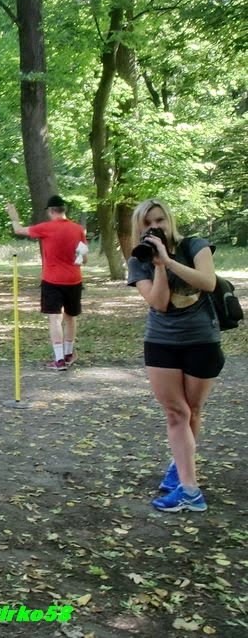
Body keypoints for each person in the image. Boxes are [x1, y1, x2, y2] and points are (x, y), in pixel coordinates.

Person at [127, 199, 224, 513]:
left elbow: (208, 282)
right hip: (162, 342)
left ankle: (180, 468)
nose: (155, 227)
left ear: (169, 221)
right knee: (176, 413)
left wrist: (168, 261)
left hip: (202, 340)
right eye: (147, 223)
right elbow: (159, 303)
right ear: (139, 228)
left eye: (160, 220)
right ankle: (190, 489)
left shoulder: (195, 246)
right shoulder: (138, 260)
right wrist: (157, 265)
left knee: (192, 411)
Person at [5, 195, 88, 370]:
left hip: (52, 280)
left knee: (55, 318)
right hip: (74, 279)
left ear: (50, 211)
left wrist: (14, 217)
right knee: (71, 317)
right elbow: (84, 258)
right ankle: (69, 354)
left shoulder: (45, 228)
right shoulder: (78, 229)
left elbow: (18, 230)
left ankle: (59, 360)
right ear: (64, 209)